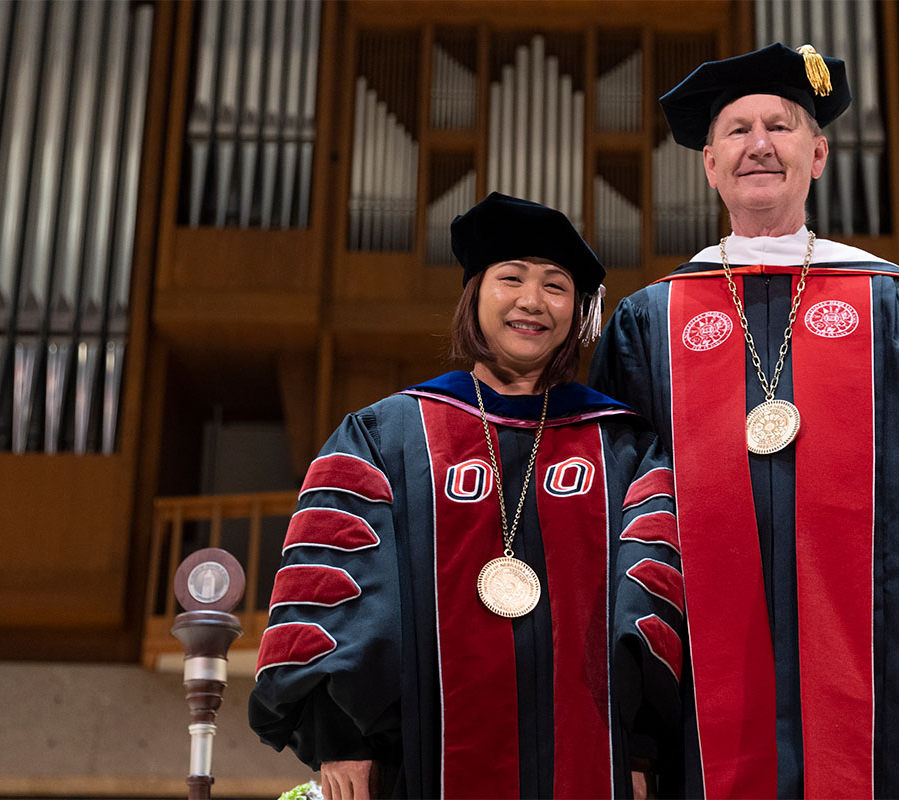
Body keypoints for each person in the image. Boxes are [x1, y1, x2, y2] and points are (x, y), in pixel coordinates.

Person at [589, 43, 899, 798]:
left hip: (884, 669)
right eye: (738, 130)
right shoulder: (648, 323)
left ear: (817, 155)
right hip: (702, 690)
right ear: (710, 164)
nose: (759, 145)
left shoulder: (897, 306)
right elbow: (616, 517)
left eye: (780, 127)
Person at [250, 192, 684, 799]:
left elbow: (651, 601)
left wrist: (640, 750)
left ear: (577, 312)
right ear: (475, 295)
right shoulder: (388, 438)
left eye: (556, 286)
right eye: (511, 278)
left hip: (594, 762)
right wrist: (343, 739)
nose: (532, 301)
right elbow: (334, 586)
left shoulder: (624, 448)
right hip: (423, 763)